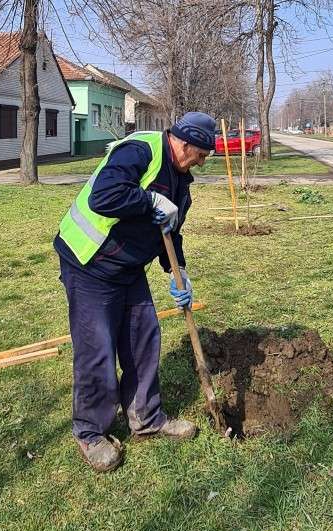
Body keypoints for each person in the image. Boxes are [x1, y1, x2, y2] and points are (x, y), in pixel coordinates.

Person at [53, 112, 216, 472]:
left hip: (127, 267)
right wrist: (150, 201)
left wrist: (179, 274)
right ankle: (91, 432)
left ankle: (146, 417)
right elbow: (104, 197)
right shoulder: (140, 151)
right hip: (90, 262)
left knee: (144, 340)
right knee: (97, 350)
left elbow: (170, 232)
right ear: (184, 142)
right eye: (201, 154)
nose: (202, 163)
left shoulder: (181, 181)